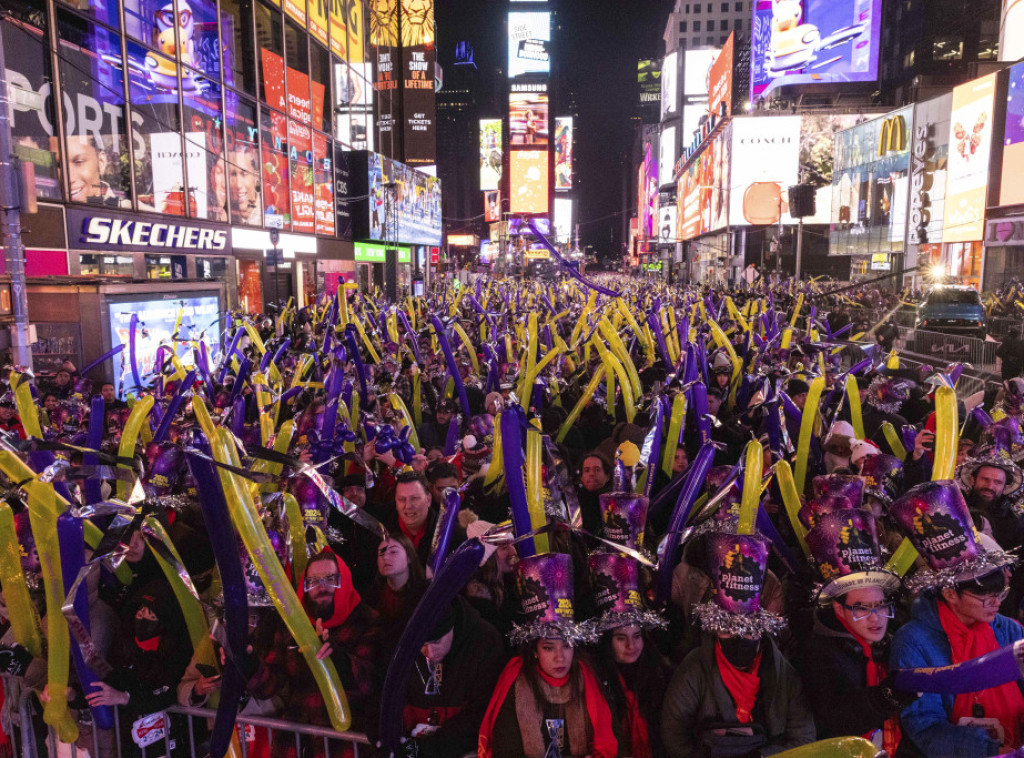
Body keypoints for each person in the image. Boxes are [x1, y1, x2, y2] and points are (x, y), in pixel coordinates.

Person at [889, 481, 1024, 757]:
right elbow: (924, 725)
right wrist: (990, 750)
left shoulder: (1008, 629)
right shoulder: (912, 642)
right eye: (985, 597)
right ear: (950, 593)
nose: (997, 603)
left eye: (1001, 593)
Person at [661, 531, 815, 757]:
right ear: (714, 630)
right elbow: (673, 733)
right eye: (727, 630)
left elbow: (803, 736)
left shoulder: (784, 675)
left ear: (761, 630)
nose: (738, 639)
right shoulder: (694, 670)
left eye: (748, 630)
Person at [795, 508, 914, 754]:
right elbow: (835, 718)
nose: (877, 618)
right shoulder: (818, 652)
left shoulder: (895, 641)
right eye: (862, 609)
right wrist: (887, 695)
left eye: (882, 606)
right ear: (839, 609)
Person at [479, 552, 618, 758]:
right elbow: (505, 749)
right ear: (534, 651)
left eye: (567, 645)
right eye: (548, 648)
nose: (560, 658)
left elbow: (607, 743)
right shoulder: (515, 684)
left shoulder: (589, 679)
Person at [247, 550, 380, 745]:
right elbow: (269, 685)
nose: (322, 587)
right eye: (313, 581)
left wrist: (337, 658)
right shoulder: (293, 624)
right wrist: (247, 661)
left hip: (344, 740)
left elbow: (370, 681)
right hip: (296, 740)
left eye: (330, 579)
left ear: (343, 580)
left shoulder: (366, 620)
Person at [399, 596, 506, 758]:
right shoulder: (401, 643)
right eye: (421, 643)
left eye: (436, 641)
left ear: (452, 627)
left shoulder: (484, 643)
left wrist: (427, 749)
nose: (429, 652)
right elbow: (384, 697)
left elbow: (481, 714)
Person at [589, 552, 671, 758]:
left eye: (636, 635)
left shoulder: (663, 674)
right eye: (620, 638)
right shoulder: (595, 679)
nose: (630, 645)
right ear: (608, 641)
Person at [363, 534, 427, 660]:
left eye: (393, 552)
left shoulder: (424, 595)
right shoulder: (371, 598)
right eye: (381, 554)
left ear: (409, 557)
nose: (385, 557)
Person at [577, 450, 613, 534]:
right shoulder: (574, 503)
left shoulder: (616, 502)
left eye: (597, 470)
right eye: (586, 470)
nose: (592, 474)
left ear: (607, 476)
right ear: (581, 477)